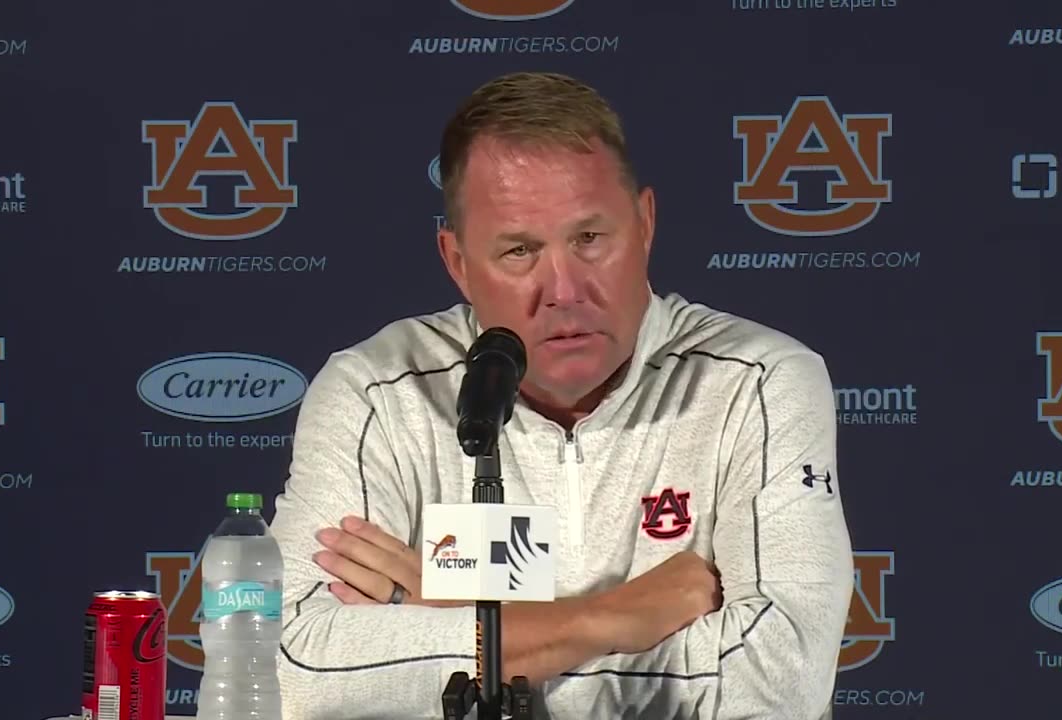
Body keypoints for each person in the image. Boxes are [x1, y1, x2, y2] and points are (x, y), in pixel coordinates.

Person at [268, 71, 854, 720]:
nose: (566, 289)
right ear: (458, 264)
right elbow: (290, 672)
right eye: (520, 250)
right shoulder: (376, 392)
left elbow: (782, 681)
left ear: (646, 224)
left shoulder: (759, 381)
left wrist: (448, 632)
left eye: (590, 240)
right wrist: (608, 619)